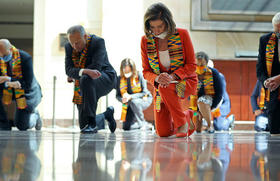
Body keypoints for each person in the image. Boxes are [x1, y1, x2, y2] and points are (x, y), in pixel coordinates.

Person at [141, 2, 197, 137]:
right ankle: (186, 115)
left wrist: (173, 77)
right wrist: (156, 78)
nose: (156, 31)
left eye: (160, 26)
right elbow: (145, 71)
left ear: (168, 22)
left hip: (184, 81)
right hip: (161, 85)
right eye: (152, 27)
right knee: (163, 133)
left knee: (164, 87)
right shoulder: (145, 41)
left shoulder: (182, 34)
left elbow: (192, 65)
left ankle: (182, 123)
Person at [65, 25, 117, 134]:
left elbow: (96, 67)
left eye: (77, 42)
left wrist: (78, 73)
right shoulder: (69, 47)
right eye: (72, 43)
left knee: (86, 78)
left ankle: (92, 123)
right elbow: (68, 70)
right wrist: (83, 71)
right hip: (85, 82)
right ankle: (106, 115)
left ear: (85, 36)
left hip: (105, 78)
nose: (75, 46)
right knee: (84, 126)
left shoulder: (98, 42)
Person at [0, 39, 42, 131]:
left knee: (22, 125)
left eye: (4, 55)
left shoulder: (25, 58)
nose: (2, 57)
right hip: (9, 90)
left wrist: (9, 79)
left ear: (10, 50)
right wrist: (8, 83)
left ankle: (35, 116)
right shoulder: (0, 57)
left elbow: (28, 83)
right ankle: (3, 124)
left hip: (27, 93)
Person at [256, 12, 280, 135]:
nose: (278, 34)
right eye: (277, 31)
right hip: (273, 95)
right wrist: (266, 81)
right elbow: (260, 69)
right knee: (274, 135)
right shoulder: (265, 40)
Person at [189, 52, 223, 133]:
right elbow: (189, 92)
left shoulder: (214, 73)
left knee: (202, 100)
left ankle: (209, 125)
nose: (199, 67)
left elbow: (219, 92)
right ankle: (200, 119)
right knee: (197, 129)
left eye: (202, 65)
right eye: (197, 65)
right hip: (196, 104)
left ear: (207, 63)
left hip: (212, 100)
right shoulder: (192, 74)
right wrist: (197, 110)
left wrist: (211, 107)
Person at [116, 58, 153, 130]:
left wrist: (131, 97)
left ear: (132, 69)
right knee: (126, 127)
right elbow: (117, 95)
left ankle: (142, 122)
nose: (127, 72)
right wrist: (122, 99)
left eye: (128, 70)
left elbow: (144, 92)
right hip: (128, 103)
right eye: (125, 70)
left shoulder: (139, 75)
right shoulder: (119, 78)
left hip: (144, 99)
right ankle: (145, 124)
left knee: (134, 101)